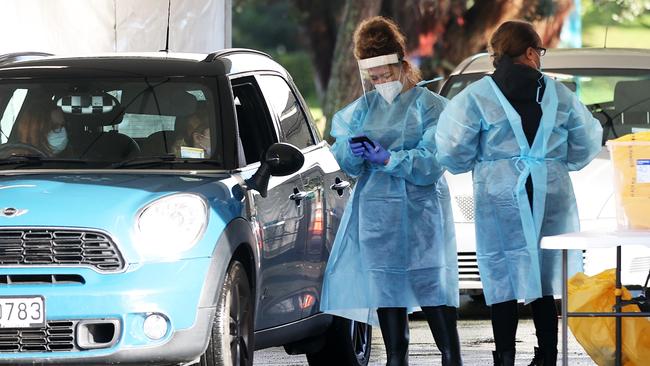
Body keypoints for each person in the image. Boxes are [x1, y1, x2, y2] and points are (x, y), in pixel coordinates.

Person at [435, 20, 603, 366]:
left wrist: (487, 160)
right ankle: (547, 356)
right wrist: (554, 162)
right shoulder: (558, 93)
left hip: (499, 196)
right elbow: (586, 141)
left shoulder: (476, 96)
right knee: (543, 279)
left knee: (501, 277)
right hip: (549, 192)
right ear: (530, 52)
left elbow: (453, 151)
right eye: (539, 51)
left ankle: (505, 357)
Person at [320, 16, 462, 366]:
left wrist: (388, 158)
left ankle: (450, 355)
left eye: (386, 74)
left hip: (421, 211)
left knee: (431, 283)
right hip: (376, 214)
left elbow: (432, 162)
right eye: (374, 77)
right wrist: (352, 154)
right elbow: (346, 164)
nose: (381, 83)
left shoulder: (429, 106)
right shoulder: (360, 112)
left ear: (402, 63)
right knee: (386, 288)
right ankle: (395, 358)